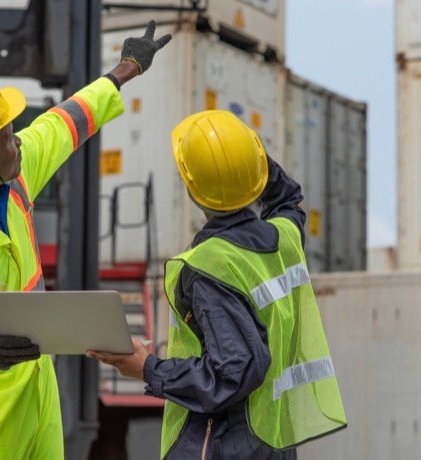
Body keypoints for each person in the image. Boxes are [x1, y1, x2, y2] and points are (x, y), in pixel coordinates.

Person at [0, 21, 171, 460]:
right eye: (7, 137)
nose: (18, 143)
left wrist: (125, 69)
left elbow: (63, 124)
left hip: (38, 403)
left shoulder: (11, 181)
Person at [89, 110, 347, 459]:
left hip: (225, 445)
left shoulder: (209, 266)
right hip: (271, 442)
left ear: (192, 188)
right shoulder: (284, 239)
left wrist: (147, 367)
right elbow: (289, 198)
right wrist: (244, 159)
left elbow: (233, 372)